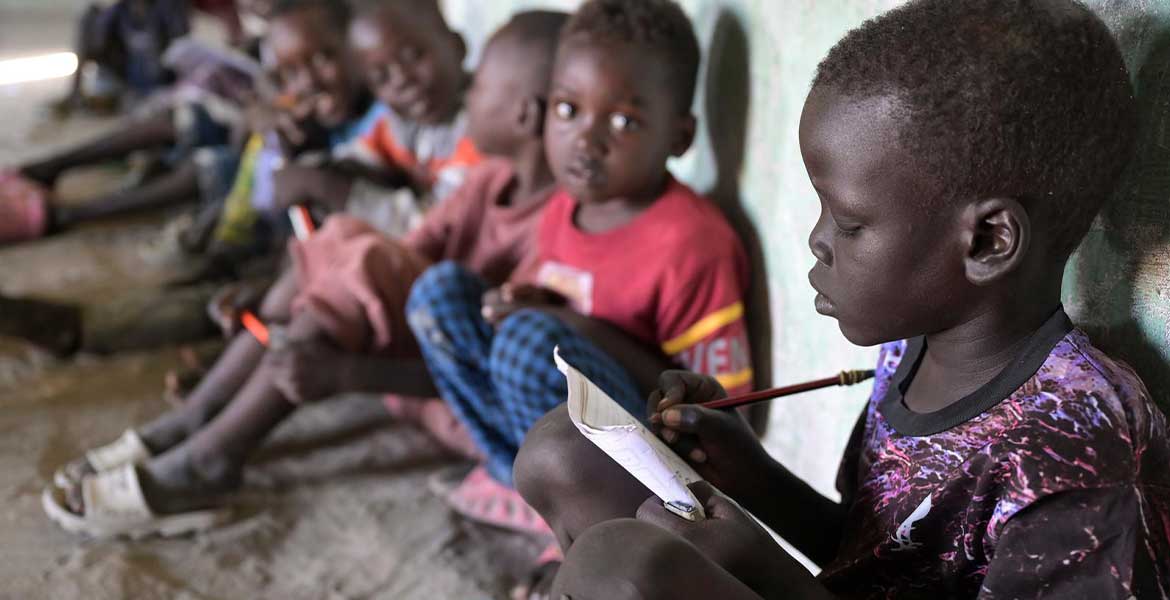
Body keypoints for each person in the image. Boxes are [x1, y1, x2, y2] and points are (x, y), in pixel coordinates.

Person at [516, 0, 1170, 598]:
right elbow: (870, 558)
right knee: (563, 449)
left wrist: (767, 568)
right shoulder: (914, 348)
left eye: (851, 224)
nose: (818, 241)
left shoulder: (1083, 461)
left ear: (988, 240)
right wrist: (753, 477)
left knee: (627, 568)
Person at [40, 8, 568, 540]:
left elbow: (473, 361)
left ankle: (210, 455)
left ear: (524, 114)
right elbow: (406, 246)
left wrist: (348, 375)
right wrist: (290, 284)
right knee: (340, 244)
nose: (468, 95)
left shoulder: (549, 227)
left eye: (481, 87)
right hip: (398, 352)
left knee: (359, 255)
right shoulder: (491, 181)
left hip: (465, 410)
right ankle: (200, 417)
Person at [401, 0, 752, 574]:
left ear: (680, 136)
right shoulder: (563, 208)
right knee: (440, 296)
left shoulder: (692, 242)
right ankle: (520, 488)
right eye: (568, 109)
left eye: (624, 122)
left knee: (529, 344)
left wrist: (570, 327)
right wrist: (520, 304)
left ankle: (587, 525)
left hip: (645, 474)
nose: (586, 140)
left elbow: (727, 414)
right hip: (557, 434)